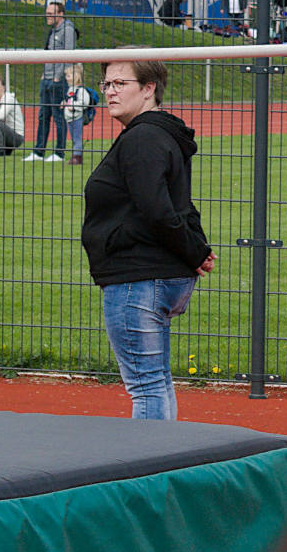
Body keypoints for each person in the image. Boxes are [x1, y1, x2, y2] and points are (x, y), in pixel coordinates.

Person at [80, 56, 215, 421]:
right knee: (156, 382)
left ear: (149, 88)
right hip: (154, 274)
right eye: (107, 84)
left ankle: (154, 472)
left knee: (147, 386)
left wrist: (193, 252)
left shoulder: (143, 138)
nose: (109, 92)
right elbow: (179, 203)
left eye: (120, 83)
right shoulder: (158, 135)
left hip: (139, 278)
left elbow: (158, 210)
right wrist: (197, 250)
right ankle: (163, 463)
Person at [27, 1, 79, 162]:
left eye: (51, 13)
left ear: (60, 14)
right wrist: (45, 74)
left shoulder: (68, 30)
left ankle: (59, 152)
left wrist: (58, 76)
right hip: (47, 78)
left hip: (58, 80)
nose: (47, 16)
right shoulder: (53, 31)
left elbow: (68, 55)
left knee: (59, 116)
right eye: (47, 13)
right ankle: (39, 151)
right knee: (43, 116)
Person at [61, 64, 98, 166]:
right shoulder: (70, 89)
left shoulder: (81, 90)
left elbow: (84, 103)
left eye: (68, 76)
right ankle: (76, 155)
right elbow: (69, 100)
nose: (66, 78)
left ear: (75, 76)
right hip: (69, 117)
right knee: (73, 137)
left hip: (77, 117)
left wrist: (73, 106)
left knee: (77, 137)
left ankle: (77, 157)